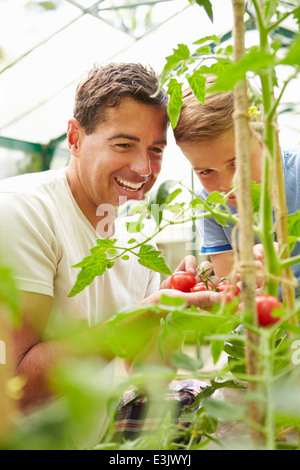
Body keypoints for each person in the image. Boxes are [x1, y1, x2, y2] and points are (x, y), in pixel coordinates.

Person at [0, 63, 220, 445]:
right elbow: (13, 388)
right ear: (74, 138)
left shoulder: (135, 238)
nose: (142, 168)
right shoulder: (22, 213)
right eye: (123, 144)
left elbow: (150, 376)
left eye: (155, 150)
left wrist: (171, 319)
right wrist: (136, 319)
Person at [173, 75, 300, 290]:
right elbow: (232, 286)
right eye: (205, 171)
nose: (227, 185)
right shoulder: (210, 203)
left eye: (238, 162)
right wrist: (215, 283)